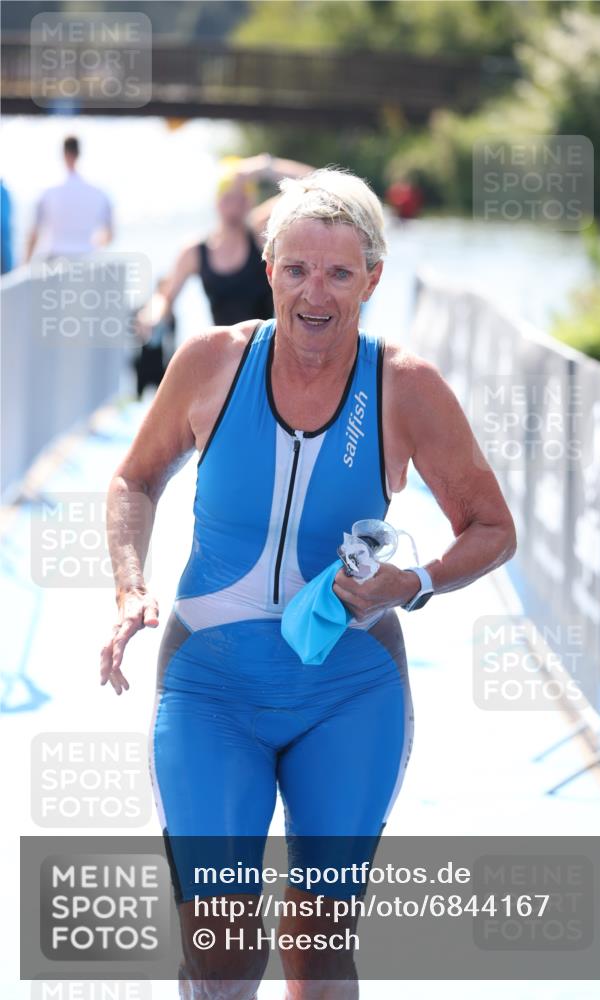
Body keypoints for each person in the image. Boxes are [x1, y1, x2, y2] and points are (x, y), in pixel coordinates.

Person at [101, 168, 516, 1000]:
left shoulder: (405, 386)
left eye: (337, 272)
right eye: (296, 269)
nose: (314, 292)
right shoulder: (212, 364)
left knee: (317, 951)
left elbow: (492, 530)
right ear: (268, 272)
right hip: (210, 691)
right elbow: (133, 482)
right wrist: (128, 587)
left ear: (372, 278)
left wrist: (415, 582)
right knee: (219, 949)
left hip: (349, 695)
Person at [135, 153, 314, 339]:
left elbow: (313, 187)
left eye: (241, 198)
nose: (235, 205)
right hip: (223, 351)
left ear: (249, 202)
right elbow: (166, 296)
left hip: (264, 346)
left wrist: (264, 167)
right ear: (217, 201)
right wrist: (152, 315)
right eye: (229, 198)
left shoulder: (260, 233)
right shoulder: (196, 250)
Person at [25, 136, 113, 260]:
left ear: (64, 154)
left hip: (54, 261)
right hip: (86, 260)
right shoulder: (99, 194)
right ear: (79, 154)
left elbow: (34, 235)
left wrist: (25, 265)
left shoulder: (48, 193)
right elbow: (109, 236)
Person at [133, 277, 177, 399]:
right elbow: (137, 331)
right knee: (138, 397)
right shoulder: (145, 308)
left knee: (162, 398)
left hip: (160, 363)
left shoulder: (171, 316)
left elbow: (171, 340)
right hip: (143, 361)